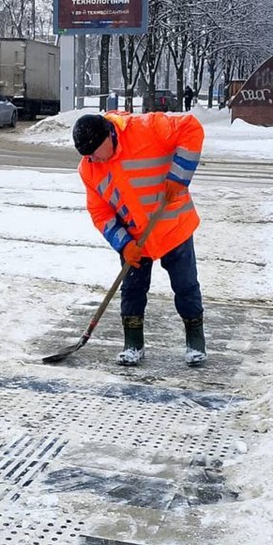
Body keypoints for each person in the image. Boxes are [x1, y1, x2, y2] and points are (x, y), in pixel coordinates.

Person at [72, 110, 206, 367]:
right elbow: (100, 212)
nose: (94, 159)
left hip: (172, 226)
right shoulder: (89, 169)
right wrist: (124, 243)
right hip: (135, 238)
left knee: (186, 285)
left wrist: (179, 177)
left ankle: (195, 340)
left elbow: (191, 128)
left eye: (96, 151)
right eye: (88, 155)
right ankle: (133, 344)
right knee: (132, 290)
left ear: (108, 136)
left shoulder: (146, 128)